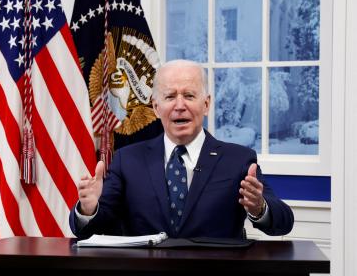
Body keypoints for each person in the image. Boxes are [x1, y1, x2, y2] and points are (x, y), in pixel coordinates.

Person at [69, 59, 294, 239]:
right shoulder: (126, 160)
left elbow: (284, 222)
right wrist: (89, 209)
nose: (179, 105)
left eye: (189, 95)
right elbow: (90, 228)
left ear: (206, 104)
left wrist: (258, 208)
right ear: (156, 108)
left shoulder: (239, 160)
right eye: (169, 97)